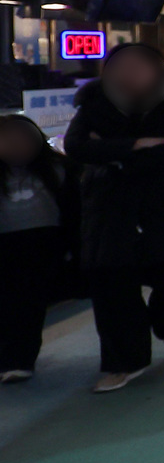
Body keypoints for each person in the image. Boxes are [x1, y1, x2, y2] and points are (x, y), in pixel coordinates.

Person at [66, 43, 164, 392]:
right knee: (111, 283)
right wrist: (136, 146)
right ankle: (124, 362)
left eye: (136, 66)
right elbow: (77, 147)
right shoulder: (93, 102)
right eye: (118, 66)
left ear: (158, 69)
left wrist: (112, 153)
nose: (126, 73)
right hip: (110, 207)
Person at [0, 115, 79, 383]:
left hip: (45, 245)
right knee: (12, 305)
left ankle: (18, 360)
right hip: (7, 247)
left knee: (26, 305)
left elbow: (72, 211)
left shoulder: (59, 168)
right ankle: (12, 358)